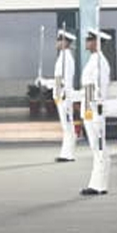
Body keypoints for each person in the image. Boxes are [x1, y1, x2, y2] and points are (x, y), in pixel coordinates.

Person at [79, 28, 112, 196]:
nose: (87, 42)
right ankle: (96, 183)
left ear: (97, 43)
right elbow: (87, 89)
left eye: (90, 39)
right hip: (89, 109)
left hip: (95, 110)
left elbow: (101, 89)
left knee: (99, 147)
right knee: (95, 147)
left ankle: (100, 184)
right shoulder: (93, 60)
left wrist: (97, 109)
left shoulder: (101, 62)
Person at [52, 29, 77, 162]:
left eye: (59, 40)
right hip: (60, 95)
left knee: (68, 125)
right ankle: (65, 153)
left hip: (64, 96)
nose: (57, 43)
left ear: (66, 42)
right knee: (65, 126)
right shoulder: (62, 57)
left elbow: (65, 80)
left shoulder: (67, 58)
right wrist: (46, 82)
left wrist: (62, 93)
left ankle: (69, 154)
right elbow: (58, 79)